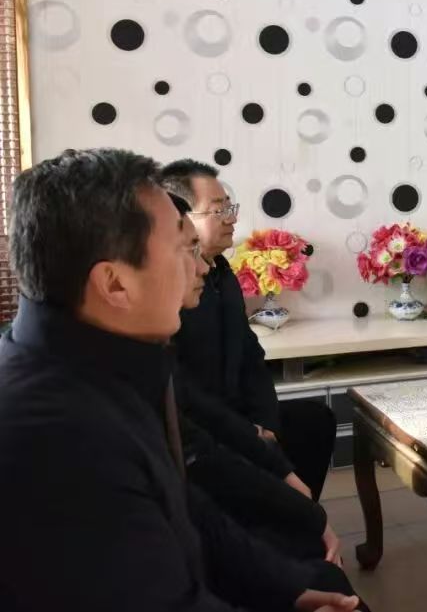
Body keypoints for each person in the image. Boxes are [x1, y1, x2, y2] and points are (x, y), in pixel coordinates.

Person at [0, 148, 360, 611]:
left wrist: (289, 589)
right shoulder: (55, 436)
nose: (201, 267)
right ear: (115, 284)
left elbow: (185, 506)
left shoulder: (103, 365)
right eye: (182, 250)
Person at [168, 193, 344, 567]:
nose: (231, 218)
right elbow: (191, 402)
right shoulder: (165, 316)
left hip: (236, 418)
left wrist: (266, 423)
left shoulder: (223, 275)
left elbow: (252, 357)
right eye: (219, 209)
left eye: (231, 207)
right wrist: (252, 434)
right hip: (213, 429)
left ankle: (294, 527)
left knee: (313, 421)